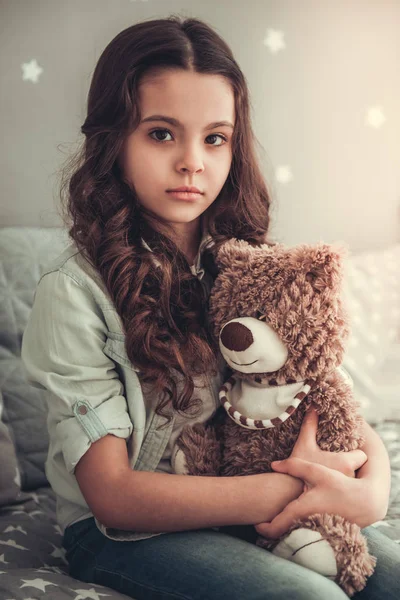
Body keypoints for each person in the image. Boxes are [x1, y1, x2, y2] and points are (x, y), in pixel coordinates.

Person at [20, 14, 399, 600]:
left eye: (215, 137)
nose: (193, 161)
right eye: (162, 134)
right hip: (125, 532)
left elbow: (322, 385)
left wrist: (371, 490)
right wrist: (288, 492)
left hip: (248, 500)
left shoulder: (249, 264)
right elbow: (113, 494)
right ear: (114, 139)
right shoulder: (73, 294)